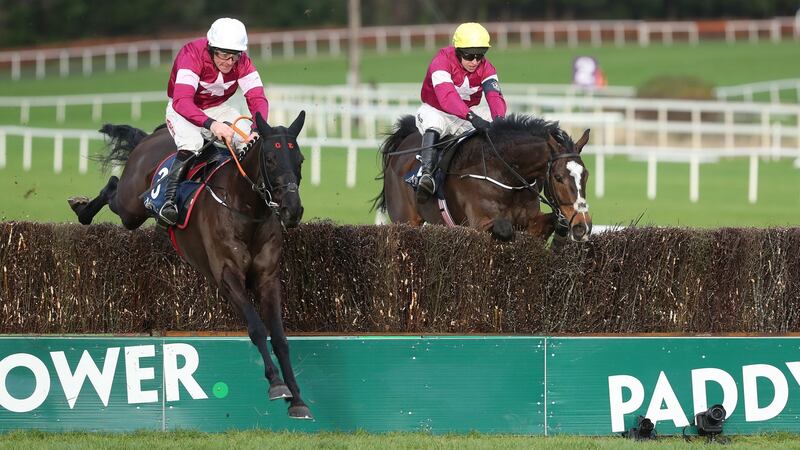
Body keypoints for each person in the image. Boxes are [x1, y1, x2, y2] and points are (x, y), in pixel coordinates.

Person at [158, 17, 268, 225]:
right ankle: (168, 202)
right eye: (223, 55)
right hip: (182, 108)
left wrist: (257, 128)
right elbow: (182, 101)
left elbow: (257, 98)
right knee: (192, 143)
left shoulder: (243, 62)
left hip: (217, 108)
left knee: (251, 141)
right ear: (211, 48)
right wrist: (211, 124)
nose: (229, 62)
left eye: (234, 56)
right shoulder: (191, 54)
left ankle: (254, 198)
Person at [415, 22, 507, 203]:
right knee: (434, 122)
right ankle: (426, 175)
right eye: (469, 56)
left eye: (480, 56)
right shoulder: (441, 61)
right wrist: (472, 118)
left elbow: (494, 96)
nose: (475, 62)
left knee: (500, 123)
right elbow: (447, 96)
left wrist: (499, 121)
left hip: (466, 114)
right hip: (437, 110)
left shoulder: (486, 68)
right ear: (457, 51)